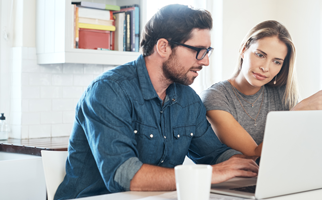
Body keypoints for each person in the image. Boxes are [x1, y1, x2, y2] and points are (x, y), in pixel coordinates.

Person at [54, 4, 258, 200]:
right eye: (198, 51)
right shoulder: (108, 91)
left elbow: (214, 154)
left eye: (207, 52)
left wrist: (252, 166)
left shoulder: (188, 100)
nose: (205, 61)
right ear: (163, 47)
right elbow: (125, 176)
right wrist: (212, 173)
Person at [201, 20, 322, 158]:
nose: (265, 68)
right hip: (237, 184)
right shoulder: (216, 96)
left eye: (276, 61)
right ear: (243, 49)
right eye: (260, 55)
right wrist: (298, 112)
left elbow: (317, 149)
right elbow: (253, 154)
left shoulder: (282, 94)